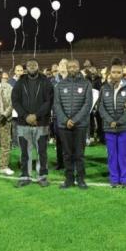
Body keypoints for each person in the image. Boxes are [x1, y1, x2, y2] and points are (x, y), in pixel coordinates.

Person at [12, 59, 54, 187]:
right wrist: (26, 116)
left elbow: (49, 101)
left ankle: (42, 176)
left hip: (41, 123)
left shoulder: (46, 81)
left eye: (34, 65)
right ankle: (25, 176)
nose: (31, 67)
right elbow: (15, 101)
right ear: (26, 67)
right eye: (29, 65)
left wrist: (36, 115)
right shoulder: (20, 82)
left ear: (38, 66)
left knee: (42, 151)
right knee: (25, 151)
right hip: (23, 123)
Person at [54, 59, 93, 189]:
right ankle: (69, 179)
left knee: (79, 154)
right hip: (64, 126)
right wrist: (66, 120)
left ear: (78, 67)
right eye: (69, 67)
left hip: (80, 125)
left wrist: (74, 120)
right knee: (67, 154)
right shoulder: (60, 85)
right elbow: (57, 104)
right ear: (66, 67)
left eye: (74, 66)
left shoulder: (86, 84)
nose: (72, 69)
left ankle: (81, 179)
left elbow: (87, 105)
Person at [98, 59, 126, 187]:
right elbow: (101, 107)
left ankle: (125, 179)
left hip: (124, 127)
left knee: (123, 154)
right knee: (112, 155)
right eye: (113, 72)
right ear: (110, 73)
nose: (116, 74)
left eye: (118, 72)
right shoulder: (104, 89)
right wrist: (110, 121)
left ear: (122, 74)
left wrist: (119, 122)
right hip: (109, 128)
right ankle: (114, 179)